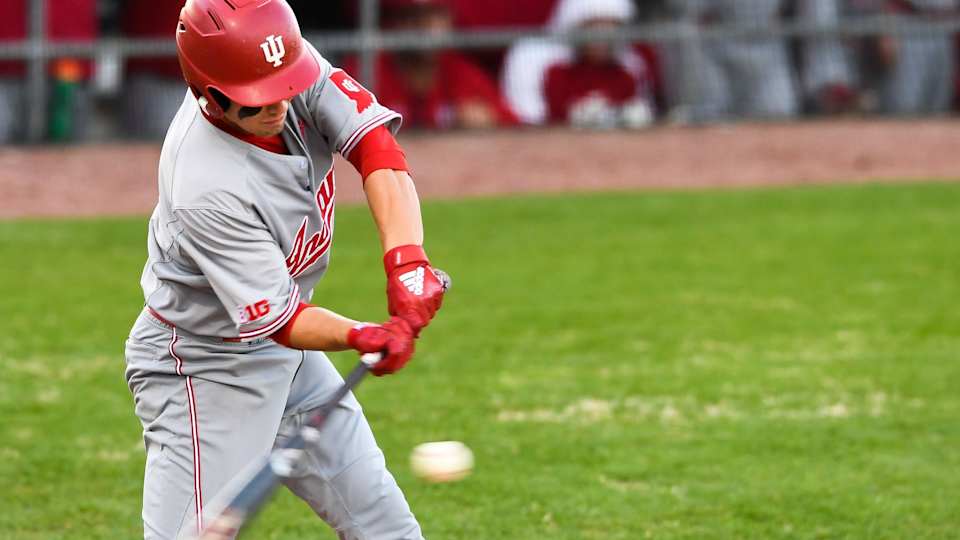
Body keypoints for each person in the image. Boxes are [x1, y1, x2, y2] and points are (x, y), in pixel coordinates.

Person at [123, 1, 446, 538]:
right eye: (256, 102)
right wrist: (363, 334)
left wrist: (406, 261)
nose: (277, 105)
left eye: (284, 88)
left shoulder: (276, 63)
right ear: (210, 93)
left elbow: (376, 149)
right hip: (205, 368)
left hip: (291, 362)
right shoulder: (204, 184)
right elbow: (280, 318)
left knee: (386, 528)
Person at [345, 0, 518, 129]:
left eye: (434, 14)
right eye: (412, 15)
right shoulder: (366, 71)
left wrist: (488, 122)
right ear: (393, 21)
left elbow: (516, 129)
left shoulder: (462, 72)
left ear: (450, 18)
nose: (424, 25)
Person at [501, 0, 657, 128]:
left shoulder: (630, 67)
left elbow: (642, 117)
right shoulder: (534, 58)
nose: (603, 35)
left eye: (612, 25)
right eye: (594, 25)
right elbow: (526, 124)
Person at [659, 0, 799, 122]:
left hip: (768, 48)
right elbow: (695, 13)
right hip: (718, 48)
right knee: (711, 117)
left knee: (778, 113)